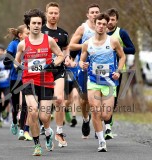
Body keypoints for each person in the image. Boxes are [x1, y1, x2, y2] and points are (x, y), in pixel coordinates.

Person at [14, 8, 64, 156]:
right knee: (33, 111)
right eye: (33, 23)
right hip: (28, 80)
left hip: (46, 81)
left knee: (44, 117)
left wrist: (53, 64)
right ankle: (37, 145)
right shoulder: (22, 44)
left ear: (42, 24)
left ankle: (48, 132)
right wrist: (20, 67)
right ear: (28, 25)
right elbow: (17, 62)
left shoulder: (48, 40)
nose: (36, 25)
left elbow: (61, 55)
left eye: (39, 23)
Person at [79, 13, 126, 152]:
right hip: (93, 81)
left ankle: (104, 129)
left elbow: (122, 57)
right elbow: (82, 60)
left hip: (109, 82)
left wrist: (118, 71)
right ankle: (101, 141)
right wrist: (82, 64)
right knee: (95, 111)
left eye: (104, 24)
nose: (101, 26)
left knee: (106, 115)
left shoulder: (113, 41)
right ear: (95, 24)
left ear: (107, 26)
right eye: (99, 23)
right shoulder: (87, 43)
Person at [41, 2, 71, 147]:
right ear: (46, 14)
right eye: (51, 13)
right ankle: (45, 128)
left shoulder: (64, 33)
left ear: (59, 15)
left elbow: (66, 50)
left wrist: (68, 58)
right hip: (41, 72)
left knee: (59, 100)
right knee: (41, 109)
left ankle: (59, 132)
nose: (53, 15)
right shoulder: (39, 30)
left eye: (56, 13)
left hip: (58, 71)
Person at [103, 8, 135, 140]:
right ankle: (102, 125)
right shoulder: (100, 31)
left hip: (117, 71)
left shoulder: (121, 32)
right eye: (108, 19)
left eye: (113, 20)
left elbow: (132, 49)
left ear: (116, 20)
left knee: (112, 99)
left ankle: (108, 125)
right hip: (100, 70)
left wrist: (118, 49)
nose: (110, 22)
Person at [69, 3, 100, 139]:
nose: (94, 14)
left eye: (96, 12)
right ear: (88, 15)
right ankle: (86, 119)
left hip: (99, 66)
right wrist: (87, 45)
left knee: (98, 96)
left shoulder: (103, 28)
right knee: (84, 98)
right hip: (84, 66)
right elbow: (71, 45)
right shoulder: (83, 28)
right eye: (92, 12)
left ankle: (97, 123)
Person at [3, 25, 32, 140]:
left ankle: (23, 130)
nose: (29, 36)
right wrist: (17, 64)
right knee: (15, 104)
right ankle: (14, 121)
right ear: (20, 35)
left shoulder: (34, 44)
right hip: (16, 78)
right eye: (27, 33)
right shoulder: (14, 44)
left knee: (25, 103)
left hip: (28, 78)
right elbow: (6, 61)